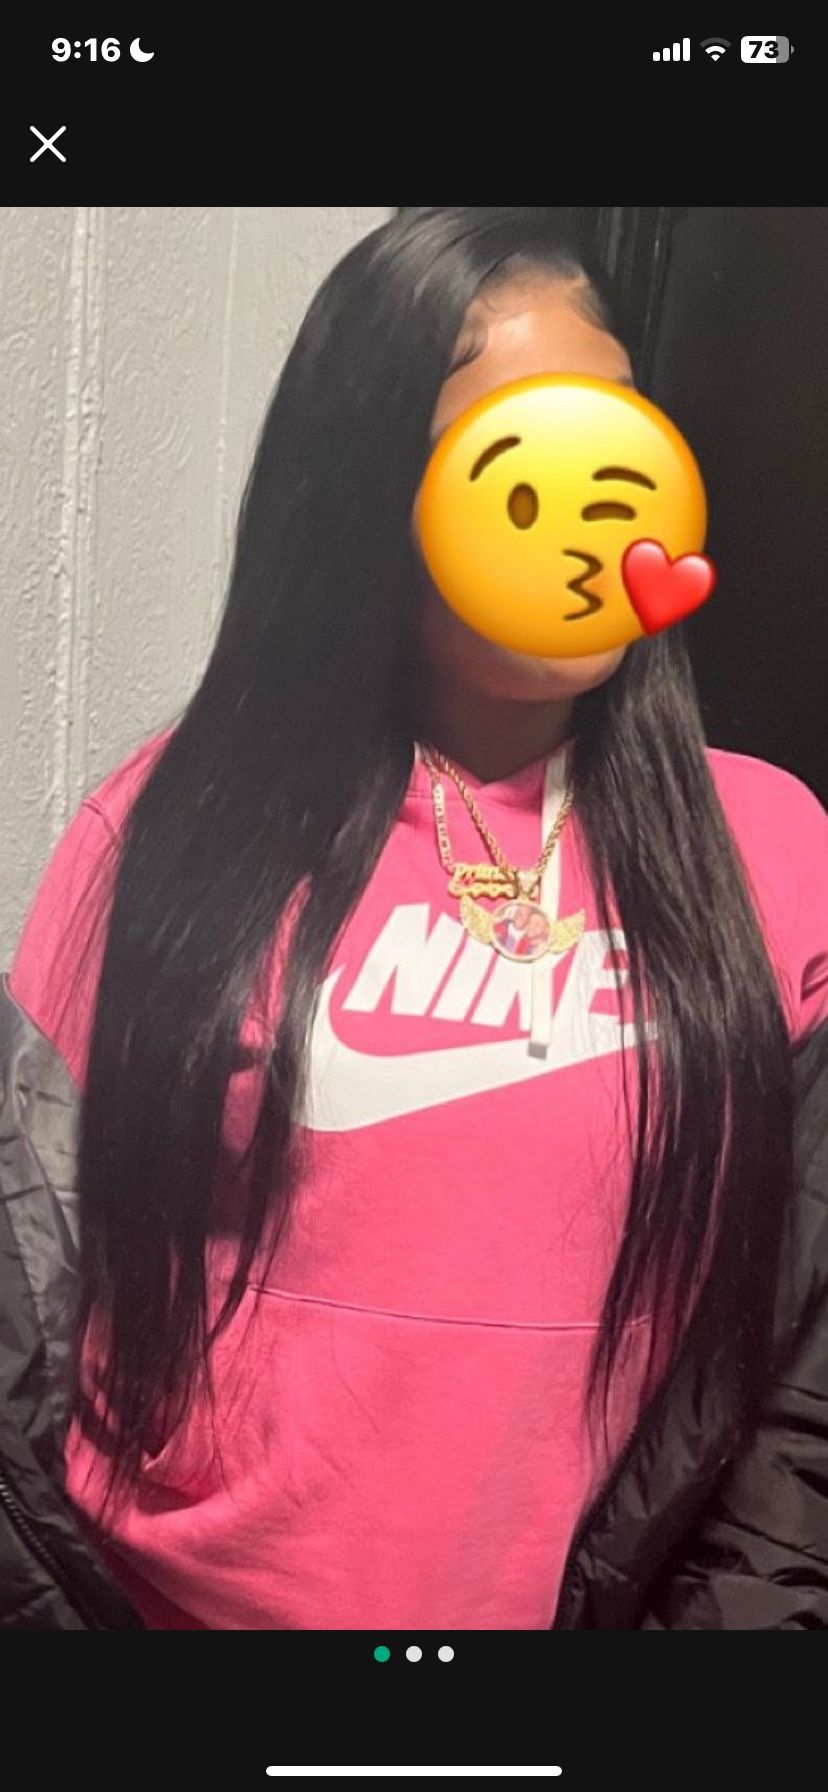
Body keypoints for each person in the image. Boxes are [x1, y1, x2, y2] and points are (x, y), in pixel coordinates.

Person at [2, 205, 828, 1630]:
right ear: (369, 487)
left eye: (615, 440)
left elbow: (796, 1382)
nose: (590, 508)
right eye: (517, 454)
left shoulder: (773, 845)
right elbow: (27, 1284)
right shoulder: (170, 823)